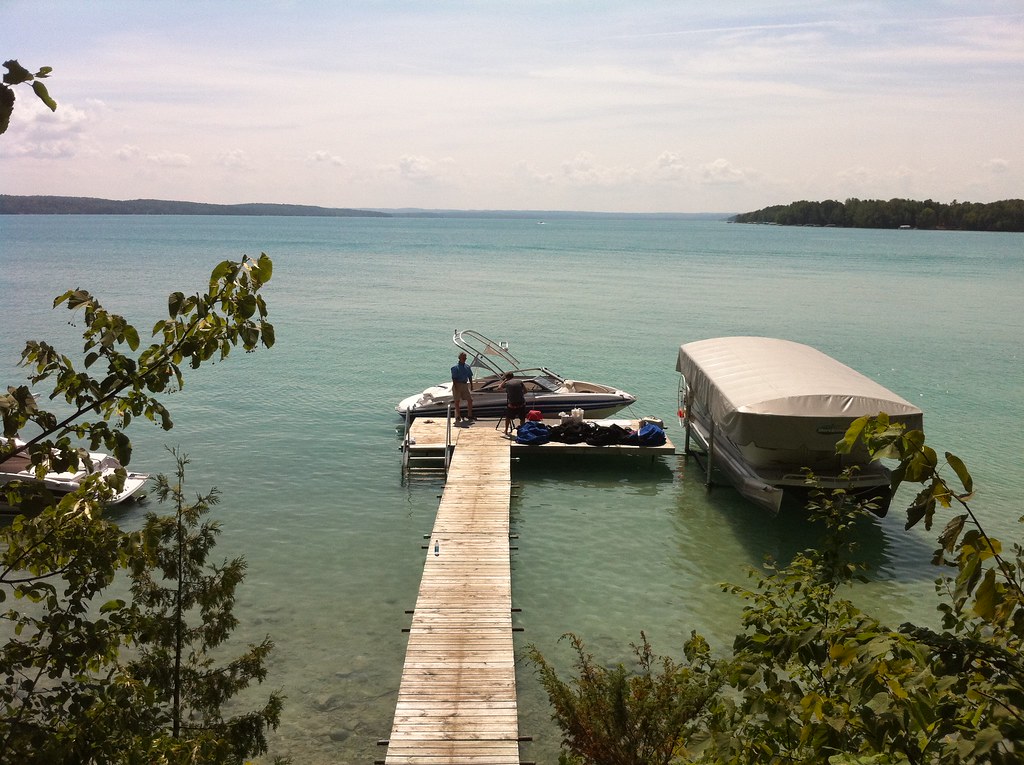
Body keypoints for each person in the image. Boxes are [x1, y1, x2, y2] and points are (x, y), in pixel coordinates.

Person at [450, 351, 474, 423]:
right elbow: (454, 378)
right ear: (459, 358)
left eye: (465, 358)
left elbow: (470, 376)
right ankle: (458, 416)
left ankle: (469, 415)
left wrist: (471, 385)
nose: (464, 359)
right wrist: (455, 386)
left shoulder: (467, 367)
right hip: (457, 384)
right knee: (457, 401)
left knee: (470, 400)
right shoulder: (455, 367)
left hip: (464, 384)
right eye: (463, 358)